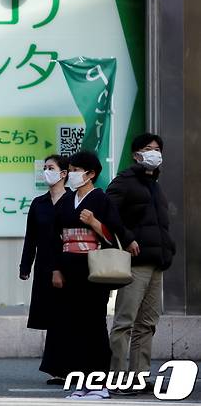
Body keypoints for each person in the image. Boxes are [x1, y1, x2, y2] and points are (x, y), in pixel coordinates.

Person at [50, 150, 130, 400]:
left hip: (92, 269)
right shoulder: (66, 200)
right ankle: (82, 383)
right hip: (69, 266)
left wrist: (95, 223)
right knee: (74, 326)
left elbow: (116, 233)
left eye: (75, 170)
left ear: (90, 174)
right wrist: (56, 269)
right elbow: (54, 236)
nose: (72, 174)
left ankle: (100, 384)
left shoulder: (101, 199)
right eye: (71, 170)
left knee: (94, 324)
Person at [107, 133, 175, 395]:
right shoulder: (125, 181)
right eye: (148, 149)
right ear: (136, 155)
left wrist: (168, 248)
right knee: (125, 321)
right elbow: (107, 212)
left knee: (147, 323)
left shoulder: (154, 184)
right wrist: (127, 238)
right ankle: (116, 376)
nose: (154, 153)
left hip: (156, 262)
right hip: (135, 262)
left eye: (157, 149)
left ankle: (139, 376)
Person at [19, 154, 69, 385]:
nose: (46, 171)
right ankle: (57, 368)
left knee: (67, 317)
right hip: (44, 265)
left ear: (64, 174)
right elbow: (31, 238)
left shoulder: (72, 201)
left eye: (51, 168)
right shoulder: (38, 203)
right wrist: (25, 266)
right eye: (45, 167)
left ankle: (72, 366)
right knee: (52, 317)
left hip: (70, 265)